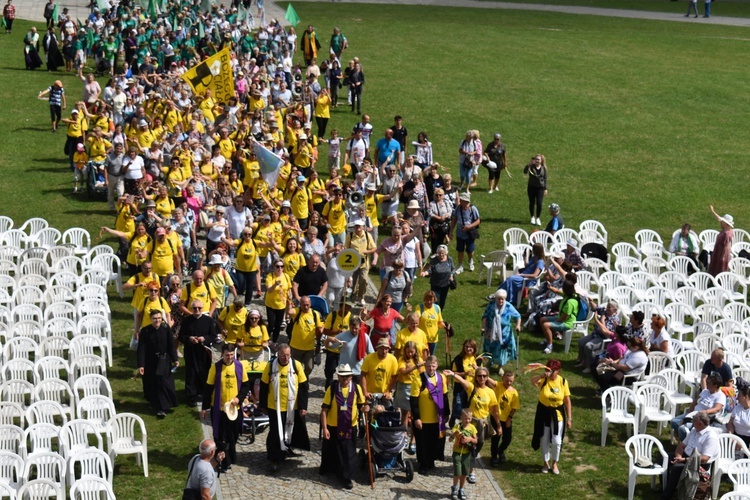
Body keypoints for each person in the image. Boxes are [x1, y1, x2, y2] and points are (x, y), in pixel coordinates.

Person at [259, 343, 310, 473]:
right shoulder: (270, 366)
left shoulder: (296, 365)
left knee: (291, 429)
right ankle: (274, 458)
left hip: (292, 406)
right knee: (275, 432)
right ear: (278, 354)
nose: (285, 358)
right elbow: (264, 386)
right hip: (274, 406)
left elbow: (304, 387)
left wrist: (303, 406)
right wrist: (263, 405)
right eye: (283, 356)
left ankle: (286, 449)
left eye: (288, 355)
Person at [201, 344, 250, 473]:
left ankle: (231, 457)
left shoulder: (239, 367)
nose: (229, 358)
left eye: (231, 355)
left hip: (234, 409)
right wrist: (204, 407)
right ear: (222, 355)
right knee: (221, 436)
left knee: (233, 434)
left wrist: (239, 398)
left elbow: (245, 386)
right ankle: (223, 461)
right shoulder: (215, 368)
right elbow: (208, 388)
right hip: (220, 409)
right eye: (227, 355)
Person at [448, 366, 501, 485]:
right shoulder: (472, 388)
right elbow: (463, 381)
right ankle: (471, 471)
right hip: (470, 423)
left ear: (487, 377)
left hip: (483, 424)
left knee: (478, 446)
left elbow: (494, 411)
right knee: (471, 448)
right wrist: (453, 374)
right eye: (479, 375)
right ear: (476, 377)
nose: (482, 378)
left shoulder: (491, 392)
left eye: (484, 376)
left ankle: (466, 463)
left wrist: (498, 425)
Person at [320, 363, 368, 489]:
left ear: (351, 376)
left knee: (349, 453)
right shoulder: (332, 389)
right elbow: (324, 410)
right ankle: (334, 471)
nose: (344, 379)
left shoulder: (356, 388)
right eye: (342, 376)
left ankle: (347, 477)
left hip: (349, 426)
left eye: (347, 376)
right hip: (333, 426)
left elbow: (361, 405)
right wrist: (325, 428)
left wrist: (365, 408)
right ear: (338, 376)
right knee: (336, 452)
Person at [661, 412, 719, 500]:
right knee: (663, 458)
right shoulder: (694, 430)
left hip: (698, 463)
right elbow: (681, 445)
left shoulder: (710, 437)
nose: (692, 423)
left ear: (700, 423)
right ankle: (664, 485)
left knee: (677, 468)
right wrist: (678, 456)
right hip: (685, 456)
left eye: (694, 421)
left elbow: (705, 458)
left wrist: (683, 460)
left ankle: (667, 496)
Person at [531, 359, 572, 475]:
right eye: (548, 369)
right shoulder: (544, 379)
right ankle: (545, 462)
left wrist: (569, 418)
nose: (550, 372)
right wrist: (542, 375)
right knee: (543, 438)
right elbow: (532, 381)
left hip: (557, 414)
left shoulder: (563, 382)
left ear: (558, 371)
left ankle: (555, 463)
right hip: (543, 412)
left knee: (556, 441)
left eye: (552, 370)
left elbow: (567, 401)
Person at [410, 355, 449, 475]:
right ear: (425, 366)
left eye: (433, 366)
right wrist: (416, 418)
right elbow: (413, 400)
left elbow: (445, 396)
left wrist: (447, 413)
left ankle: (431, 461)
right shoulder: (419, 379)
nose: (431, 368)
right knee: (423, 443)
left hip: (437, 418)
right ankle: (423, 464)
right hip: (423, 418)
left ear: (437, 366)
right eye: (428, 366)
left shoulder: (441, 377)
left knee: (434, 442)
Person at [137, 309, 179, 418]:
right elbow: (141, 349)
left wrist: (175, 359)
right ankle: (159, 408)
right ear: (150, 319)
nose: (157, 321)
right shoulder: (145, 331)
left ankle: (165, 405)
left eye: (159, 318)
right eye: (155, 319)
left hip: (164, 361)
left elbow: (171, 345)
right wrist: (141, 365)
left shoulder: (166, 329)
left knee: (165, 383)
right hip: (150, 362)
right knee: (153, 385)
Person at [179, 299, 217, 407]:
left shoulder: (208, 320)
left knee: (204, 372)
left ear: (202, 308)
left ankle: (204, 394)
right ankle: (191, 396)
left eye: (199, 308)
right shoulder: (186, 321)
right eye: (194, 308)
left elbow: (213, 336)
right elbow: (181, 336)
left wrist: (204, 338)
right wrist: (190, 339)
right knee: (191, 373)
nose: (197, 310)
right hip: (191, 351)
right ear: (191, 309)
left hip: (204, 351)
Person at [670, 372, 726, 441]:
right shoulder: (705, 391)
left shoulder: (720, 396)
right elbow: (695, 401)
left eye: (709, 383)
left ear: (715, 386)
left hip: (703, 418)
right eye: (707, 382)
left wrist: (705, 412)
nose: (707, 384)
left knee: (682, 429)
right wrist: (689, 412)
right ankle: (684, 437)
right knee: (674, 421)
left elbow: (717, 409)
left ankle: (685, 444)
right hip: (692, 414)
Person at [576, 300, 620, 373]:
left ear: (614, 310)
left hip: (603, 338)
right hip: (595, 334)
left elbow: (606, 332)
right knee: (581, 342)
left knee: (588, 346)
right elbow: (596, 308)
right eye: (607, 306)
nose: (607, 309)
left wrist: (602, 321)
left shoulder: (615, 319)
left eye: (609, 307)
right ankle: (583, 361)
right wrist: (590, 301)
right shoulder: (605, 312)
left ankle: (590, 366)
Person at [482, 289, 522, 368]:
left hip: (504, 333)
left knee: (502, 349)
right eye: (499, 298)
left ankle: (500, 366)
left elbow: (518, 316)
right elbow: (485, 316)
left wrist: (518, 325)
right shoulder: (491, 305)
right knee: (490, 347)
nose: (500, 300)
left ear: (505, 299)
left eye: (502, 299)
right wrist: (483, 327)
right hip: (491, 331)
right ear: (495, 298)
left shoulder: (508, 306)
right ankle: (490, 362)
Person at [287, 295, 324, 377]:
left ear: (310, 304)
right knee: (295, 367)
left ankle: (303, 378)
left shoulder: (315, 314)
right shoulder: (297, 311)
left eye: (307, 305)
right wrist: (289, 304)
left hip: (309, 348)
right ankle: (299, 382)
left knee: (309, 367)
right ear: (300, 304)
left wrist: (318, 344)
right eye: (304, 305)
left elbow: (319, 329)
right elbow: (289, 312)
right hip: (296, 347)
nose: (306, 307)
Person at [489, 370, 520, 467]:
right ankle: (494, 457)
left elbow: (514, 407)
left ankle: (500, 450)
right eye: (507, 381)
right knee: (496, 438)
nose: (508, 383)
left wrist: (509, 419)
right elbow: (490, 380)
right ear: (503, 379)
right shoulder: (498, 386)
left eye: (511, 381)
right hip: (495, 417)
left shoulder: (514, 392)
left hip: (506, 418)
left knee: (507, 439)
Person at [539, 280, 579, 354]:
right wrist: (550, 287)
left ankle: (549, 346)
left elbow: (564, 317)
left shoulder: (570, 302)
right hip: (561, 318)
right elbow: (557, 291)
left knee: (546, 325)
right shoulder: (569, 295)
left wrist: (553, 323)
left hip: (568, 323)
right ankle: (548, 338)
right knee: (542, 319)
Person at [449, 409, 478, 500]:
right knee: (458, 472)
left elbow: (476, 440)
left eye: (469, 419)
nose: (467, 421)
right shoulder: (457, 426)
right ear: (461, 418)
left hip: (467, 454)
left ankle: (461, 489)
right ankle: (454, 487)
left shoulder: (472, 428)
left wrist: (469, 439)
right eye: (465, 418)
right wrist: (454, 434)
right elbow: (450, 439)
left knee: (465, 473)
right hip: (457, 453)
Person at [450, 192, 480, 275]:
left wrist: (469, 227)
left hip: (469, 234)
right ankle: (460, 266)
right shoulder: (458, 208)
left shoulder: (473, 209)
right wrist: (451, 231)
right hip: (459, 234)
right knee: (460, 251)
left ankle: (470, 261)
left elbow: (478, 221)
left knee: (470, 250)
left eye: (462, 200)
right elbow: (454, 219)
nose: (460, 201)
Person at [421, 244, 456, 310]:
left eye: (443, 253)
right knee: (436, 301)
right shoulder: (434, 261)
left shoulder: (449, 259)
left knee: (442, 302)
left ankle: (439, 315)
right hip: (435, 285)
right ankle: (434, 314)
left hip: (446, 285)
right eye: (439, 253)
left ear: (446, 253)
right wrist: (425, 273)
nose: (441, 255)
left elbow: (453, 269)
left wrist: (451, 274)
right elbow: (429, 270)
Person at [416, 291, 445, 356]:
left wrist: (446, 327)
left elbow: (439, 323)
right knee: (422, 357)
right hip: (422, 339)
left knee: (430, 359)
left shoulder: (437, 308)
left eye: (431, 300)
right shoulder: (420, 307)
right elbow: (416, 318)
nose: (429, 302)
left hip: (433, 340)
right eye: (427, 300)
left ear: (434, 300)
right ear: (424, 299)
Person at [707, 205, 733, 277]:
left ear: (725, 223)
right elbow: (719, 218)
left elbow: (725, 246)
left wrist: (723, 256)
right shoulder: (727, 229)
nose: (721, 222)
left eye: (723, 222)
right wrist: (713, 211)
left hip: (721, 252)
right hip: (718, 250)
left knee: (720, 268)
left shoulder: (726, 234)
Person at [524, 154, 548, 226]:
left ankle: (538, 218)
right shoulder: (531, 167)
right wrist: (529, 164)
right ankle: (532, 217)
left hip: (540, 188)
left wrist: (545, 189)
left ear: (541, 161)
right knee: (532, 202)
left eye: (538, 159)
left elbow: (545, 179)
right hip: (531, 187)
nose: (537, 160)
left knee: (539, 203)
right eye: (536, 159)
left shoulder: (544, 168)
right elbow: (525, 171)